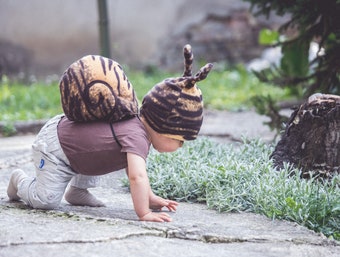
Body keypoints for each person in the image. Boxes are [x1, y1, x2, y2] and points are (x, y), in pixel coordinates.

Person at [7, 45, 213, 223]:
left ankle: (77, 191)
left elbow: (132, 169)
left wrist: (150, 197)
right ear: (164, 126)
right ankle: (20, 181)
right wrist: (144, 212)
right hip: (56, 149)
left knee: (99, 151)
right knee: (46, 201)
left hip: (76, 150)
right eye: (180, 140)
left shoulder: (137, 128)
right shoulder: (137, 136)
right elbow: (137, 176)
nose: (180, 146)